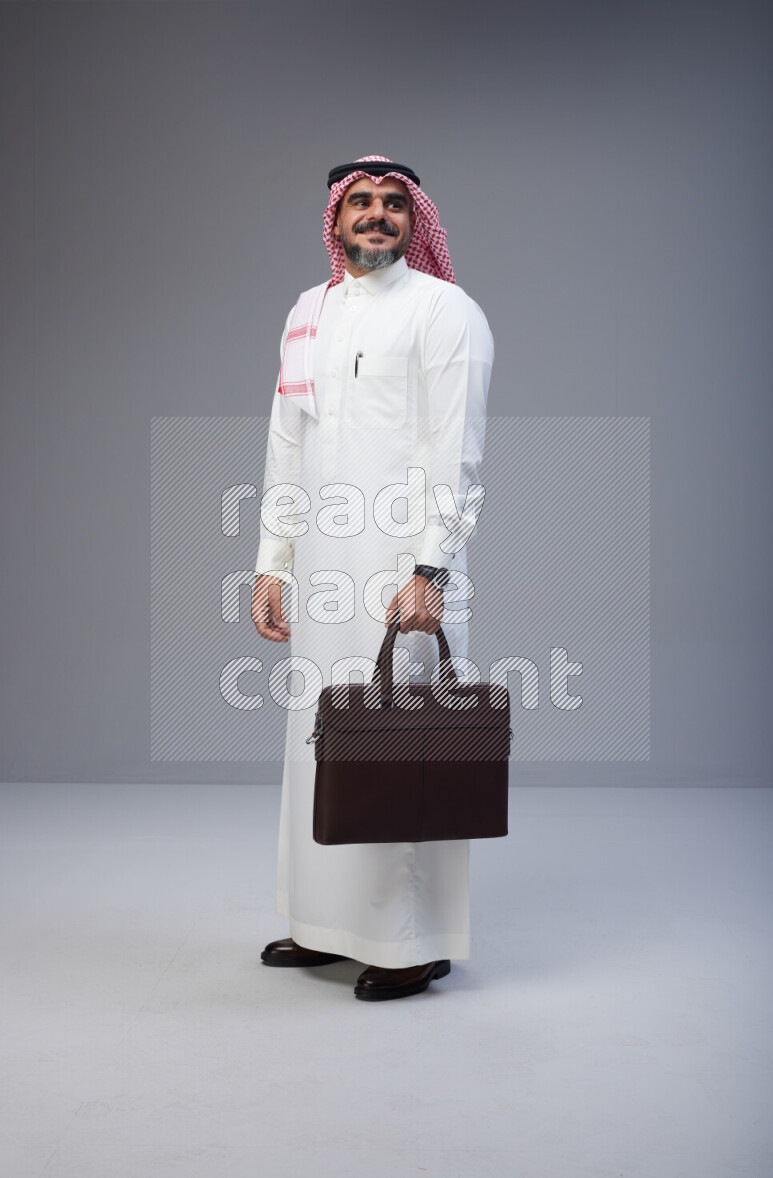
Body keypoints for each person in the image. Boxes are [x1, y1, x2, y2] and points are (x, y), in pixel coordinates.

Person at [251, 155, 494, 1001]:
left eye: (395, 205)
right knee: (323, 740)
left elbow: (457, 453)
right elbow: (287, 442)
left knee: (402, 742)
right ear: (336, 217)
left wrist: (432, 568)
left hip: (404, 564)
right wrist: (271, 564)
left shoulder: (443, 310)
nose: (378, 217)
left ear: (414, 218)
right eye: (362, 204)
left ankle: (408, 943)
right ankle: (326, 926)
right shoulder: (307, 312)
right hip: (322, 565)